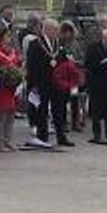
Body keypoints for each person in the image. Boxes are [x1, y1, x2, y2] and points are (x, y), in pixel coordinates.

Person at [25, 19, 72, 148]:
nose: (57, 33)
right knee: (42, 110)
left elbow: (62, 61)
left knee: (59, 110)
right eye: (55, 30)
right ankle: (42, 137)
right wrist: (33, 84)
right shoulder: (35, 44)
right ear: (47, 29)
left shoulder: (58, 43)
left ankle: (61, 136)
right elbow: (31, 65)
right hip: (41, 82)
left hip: (57, 83)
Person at [0, 27, 22, 151]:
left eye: (10, 35)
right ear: (1, 36)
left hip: (12, 87)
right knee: (1, 117)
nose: (9, 37)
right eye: (7, 35)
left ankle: (8, 140)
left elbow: (16, 64)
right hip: (2, 86)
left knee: (11, 115)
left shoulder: (12, 51)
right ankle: (0, 143)